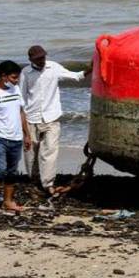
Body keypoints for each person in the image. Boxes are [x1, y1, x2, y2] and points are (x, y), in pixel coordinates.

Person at [19, 45, 92, 196]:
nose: (42, 61)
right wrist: (24, 129)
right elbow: (21, 100)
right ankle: (33, 180)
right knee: (31, 153)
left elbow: (76, 76)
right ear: (30, 59)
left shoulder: (54, 67)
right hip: (31, 118)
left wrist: (90, 68)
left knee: (50, 151)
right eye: (38, 59)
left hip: (52, 117)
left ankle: (48, 184)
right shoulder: (25, 73)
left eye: (43, 57)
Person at [0, 60, 31, 214]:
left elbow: (21, 112)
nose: (17, 81)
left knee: (12, 171)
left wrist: (27, 134)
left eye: (18, 78)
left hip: (16, 138)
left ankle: (8, 202)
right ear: (3, 76)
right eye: (14, 77)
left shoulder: (15, 90)